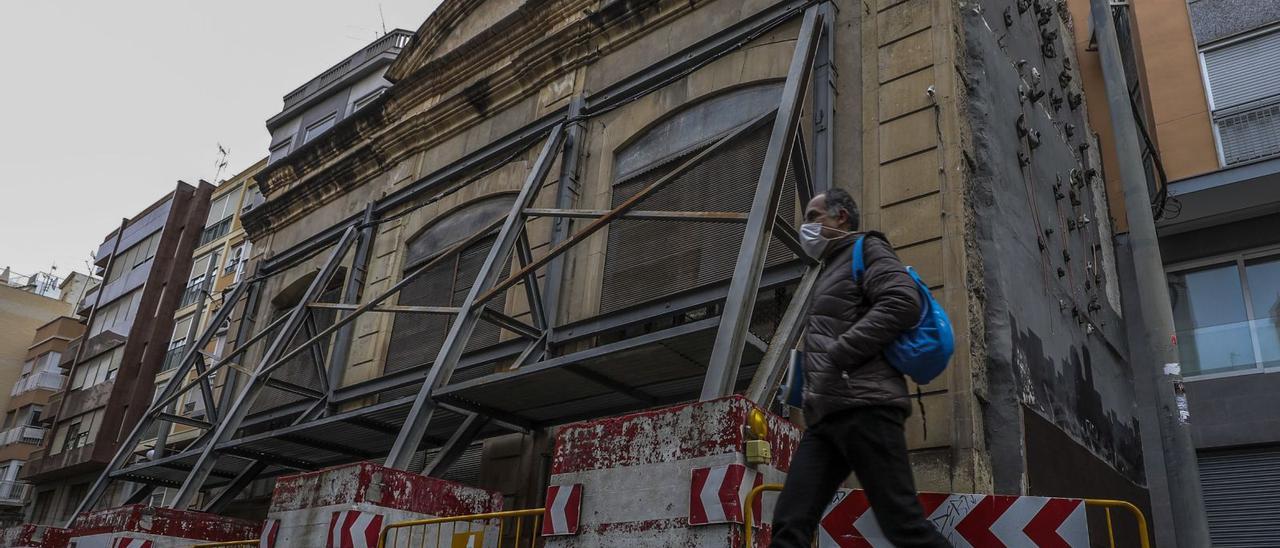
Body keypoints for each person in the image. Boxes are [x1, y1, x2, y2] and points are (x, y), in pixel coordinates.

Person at [770, 188, 950, 547]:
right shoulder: (829, 268)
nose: (806, 226)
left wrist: (841, 351)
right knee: (790, 523)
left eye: (813, 217)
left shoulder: (865, 249)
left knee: (903, 524)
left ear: (841, 218)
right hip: (826, 417)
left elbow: (902, 301)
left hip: (866, 407)